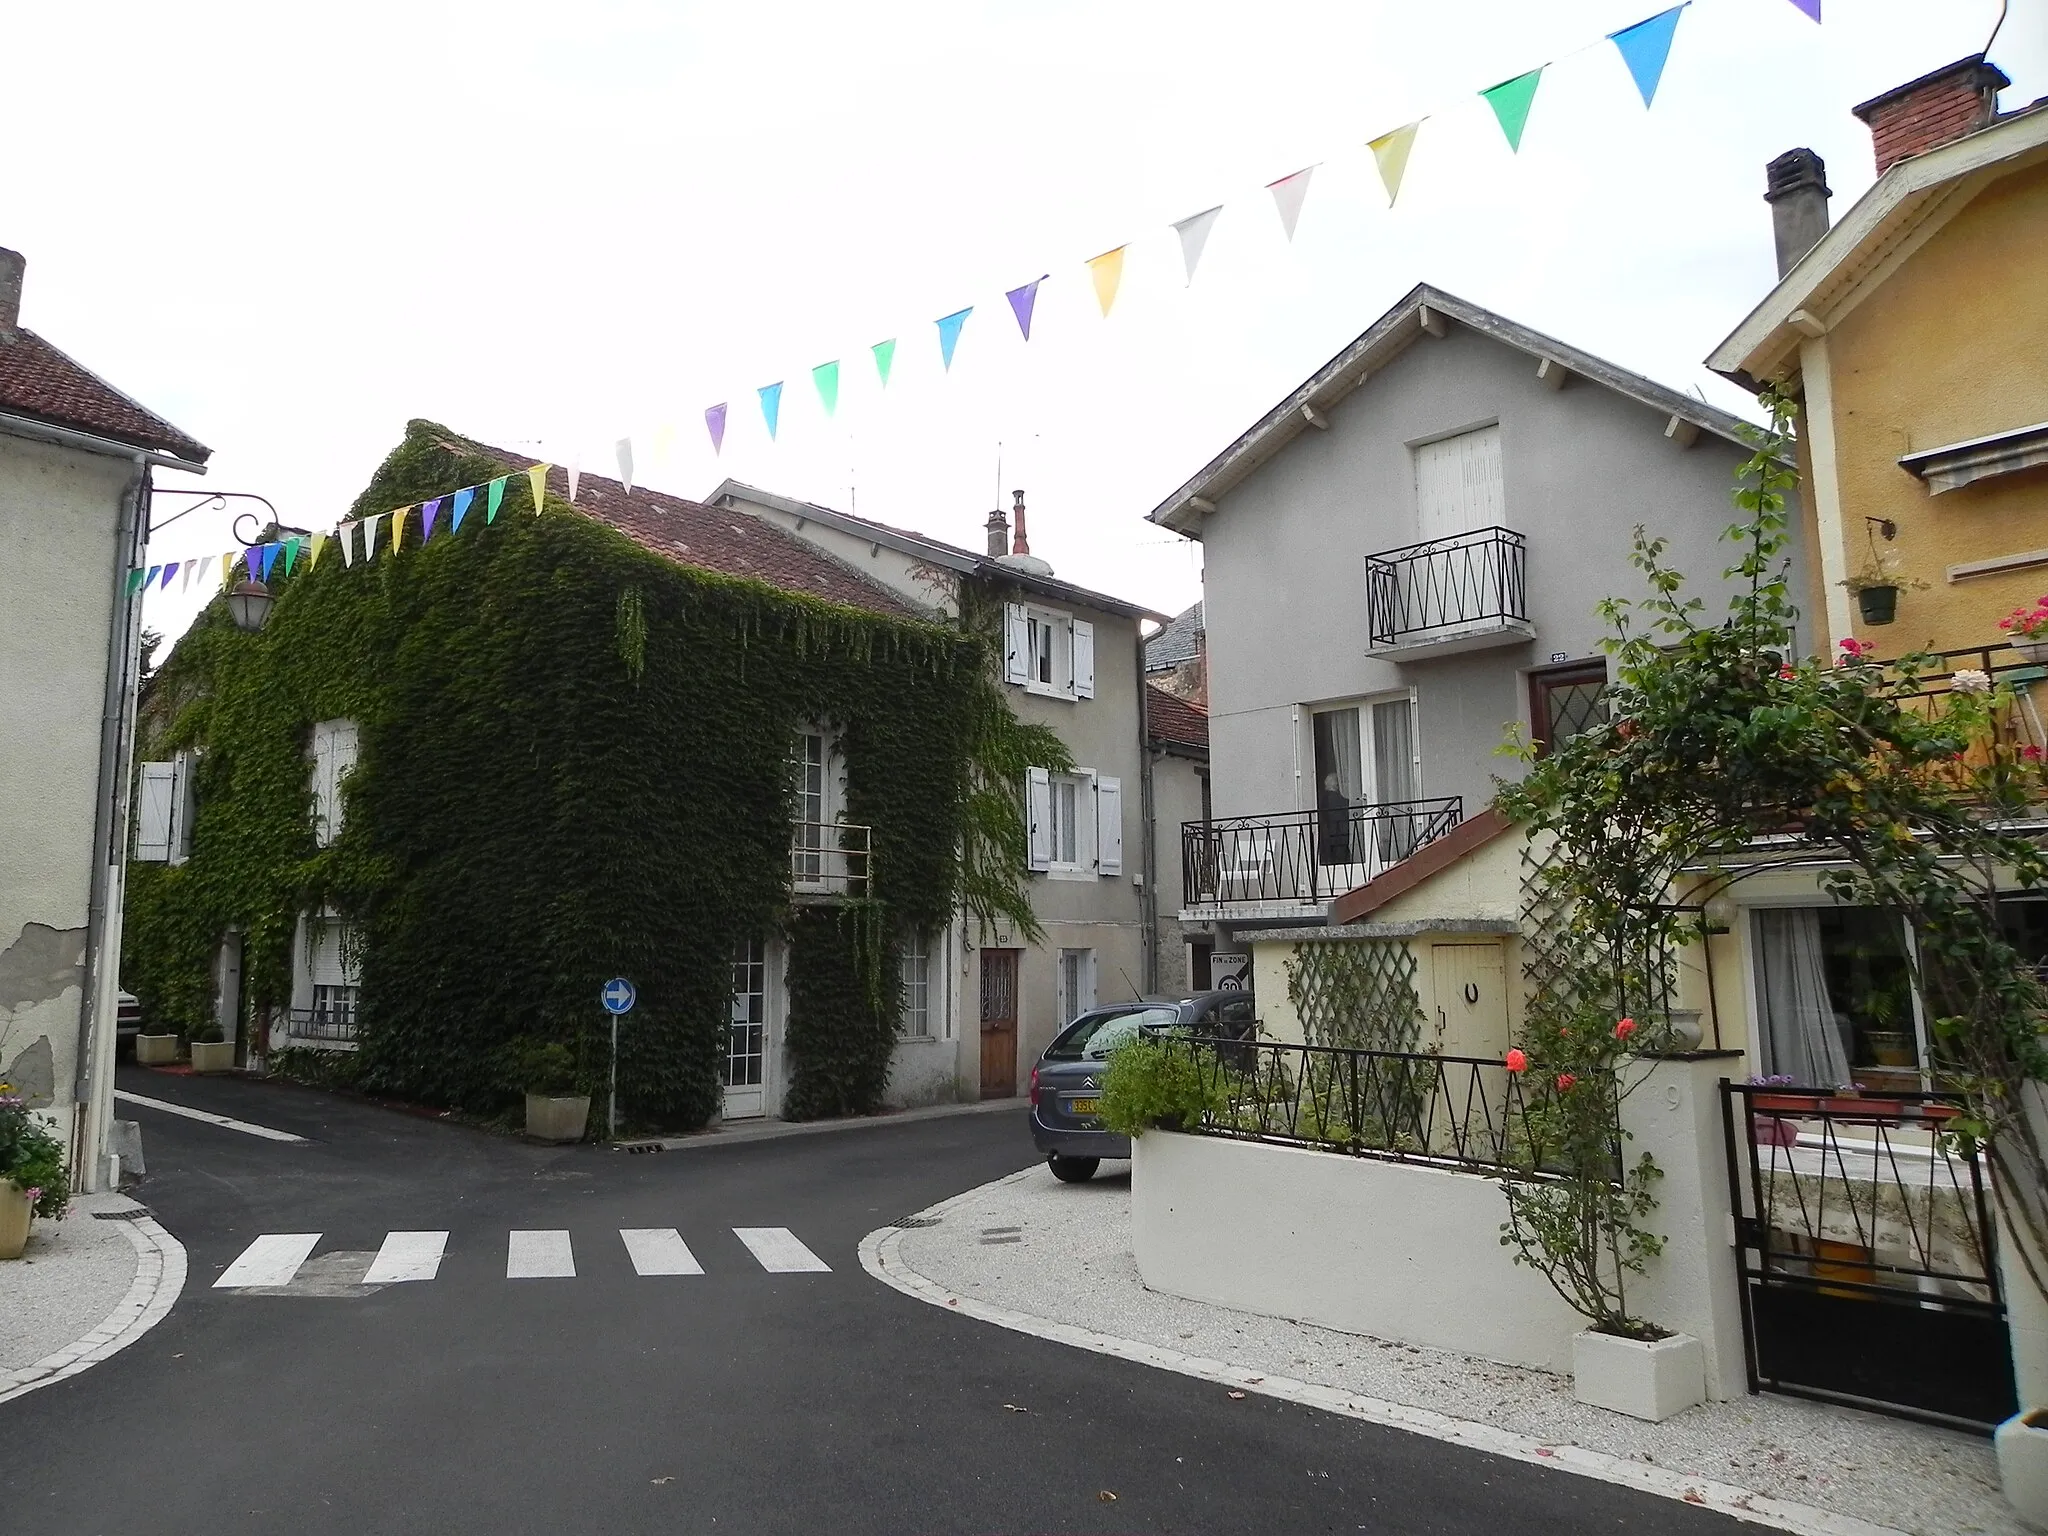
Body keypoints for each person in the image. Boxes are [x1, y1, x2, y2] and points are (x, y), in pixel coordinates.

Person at [1316, 772, 1352, 866]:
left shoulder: (1324, 798)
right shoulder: (1337, 798)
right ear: (1336, 784)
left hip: (1329, 835)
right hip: (1339, 834)